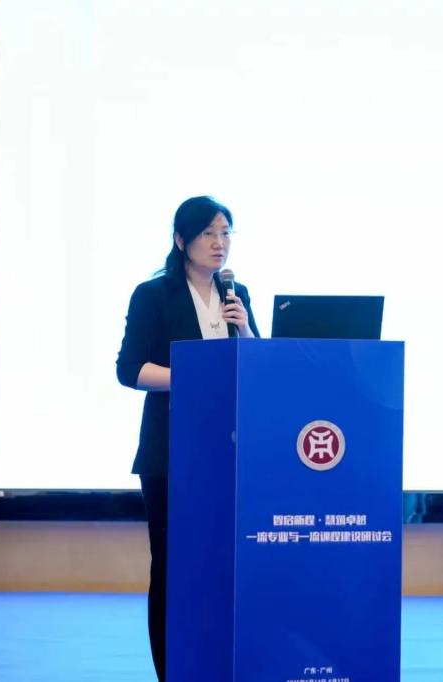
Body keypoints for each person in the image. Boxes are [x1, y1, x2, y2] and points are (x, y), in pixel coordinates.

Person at [116, 196, 260, 682]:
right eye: (208, 233)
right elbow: (129, 369)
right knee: (172, 566)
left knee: (224, 564)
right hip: (171, 454)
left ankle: (219, 663)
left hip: (228, 453)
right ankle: (170, 670)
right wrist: (192, 378)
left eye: (226, 233)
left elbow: (254, 368)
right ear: (181, 240)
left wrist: (246, 330)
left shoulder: (236, 294)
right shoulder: (153, 294)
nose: (220, 244)